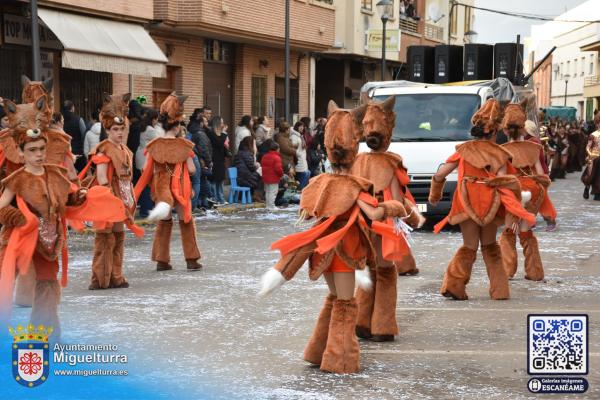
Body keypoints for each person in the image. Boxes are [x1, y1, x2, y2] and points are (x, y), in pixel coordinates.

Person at [259, 100, 407, 374]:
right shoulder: (354, 187)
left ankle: (318, 351)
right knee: (345, 304)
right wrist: (396, 207)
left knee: (334, 298)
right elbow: (374, 215)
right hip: (345, 252)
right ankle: (340, 359)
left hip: (322, 252)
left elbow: (308, 213)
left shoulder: (319, 183)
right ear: (353, 147)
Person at [0, 95, 125, 340]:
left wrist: (80, 197)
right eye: (32, 150)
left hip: (48, 243)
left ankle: (44, 336)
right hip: (18, 240)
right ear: (22, 152)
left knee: (47, 285)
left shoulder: (56, 174)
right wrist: (16, 217)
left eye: (41, 149)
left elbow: (69, 197)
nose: (38, 154)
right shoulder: (15, 179)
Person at [429, 99, 536, 300]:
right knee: (490, 247)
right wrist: (516, 207)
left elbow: (440, 175)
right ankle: (500, 290)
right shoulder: (501, 154)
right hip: (490, 203)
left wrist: (435, 194)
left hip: (465, 202)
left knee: (469, 246)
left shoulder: (463, 150)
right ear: (495, 131)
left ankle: (455, 284)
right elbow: (505, 182)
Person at [351, 97, 425, 342]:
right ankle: (382, 327)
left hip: (361, 222)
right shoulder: (391, 163)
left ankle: (361, 321)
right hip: (382, 223)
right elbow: (395, 199)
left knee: (367, 270)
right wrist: (411, 216)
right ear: (388, 131)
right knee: (385, 272)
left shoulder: (358, 161)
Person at [134, 94, 202, 271]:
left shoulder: (155, 145)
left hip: (162, 188)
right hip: (180, 186)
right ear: (178, 125)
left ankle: (162, 260)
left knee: (164, 223)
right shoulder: (184, 145)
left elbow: (146, 169)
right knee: (185, 221)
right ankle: (191, 259)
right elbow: (193, 169)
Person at [81, 110, 144, 290]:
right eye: (115, 129)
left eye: (122, 129)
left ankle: (116, 276)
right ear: (108, 130)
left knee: (118, 237)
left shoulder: (125, 149)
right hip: (109, 197)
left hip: (124, 196)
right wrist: (110, 201)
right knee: (104, 237)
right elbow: (102, 177)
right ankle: (99, 278)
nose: (120, 132)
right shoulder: (104, 149)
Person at [499, 103, 556, 281]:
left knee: (509, 232)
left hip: (514, 192)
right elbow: (540, 175)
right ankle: (534, 271)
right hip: (531, 192)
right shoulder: (534, 148)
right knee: (525, 230)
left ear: (506, 130)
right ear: (523, 128)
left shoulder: (503, 150)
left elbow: (502, 177)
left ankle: (507, 270)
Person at [135, 108, 159, 218]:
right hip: (146, 159)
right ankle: (146, 210)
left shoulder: (143, 127)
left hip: (140, 157)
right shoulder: (151, 130)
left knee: (144, 184)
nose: (157, 122)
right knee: (147, 186)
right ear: (153, 119)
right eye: (156, 119)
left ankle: (144, 208)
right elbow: (160, 142)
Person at [207, 115, 230, 204]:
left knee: (220, 180)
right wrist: (224, 133)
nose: (223, 124)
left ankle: (221, 198)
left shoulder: (220, 134)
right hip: (214, 159)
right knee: (214, 180)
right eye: (221, 123)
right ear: (217, 124)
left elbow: (223, 145)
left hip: (220, 159)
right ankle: (215, 198)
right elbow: (219, 142)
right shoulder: (211, 133)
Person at [62, 100, 87, 171]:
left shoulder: (60, 121)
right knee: (81, 175)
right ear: (72, 108)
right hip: (79, 153)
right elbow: (84, 135)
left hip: (66, 153)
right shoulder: (79, 120)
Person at [582, 112, 600, 201]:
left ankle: (597, 193)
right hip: (594, 157)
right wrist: (591, 155)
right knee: (590, 176)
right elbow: (588, 147)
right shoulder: (593, 135)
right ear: (597, 123)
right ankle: (587, 187)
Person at [261, 139, 283, 209]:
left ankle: (268, 205)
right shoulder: (277, 158)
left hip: (265, 177)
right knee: (273, 193)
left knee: (267, 192)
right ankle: (272, 206)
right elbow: (278, 169)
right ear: (277, 149)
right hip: (273, 178)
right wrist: (281, 174)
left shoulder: (264, 156)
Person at [291, 121, 310, 190]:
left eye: (303, 126)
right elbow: (294, 149)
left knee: (307, 173)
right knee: (304, 175)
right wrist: (299, 154)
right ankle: (300, 190)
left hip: (303, 159)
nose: (302, 128)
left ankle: (302, 190)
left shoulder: (300, 135)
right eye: (300, 126)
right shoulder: (294, 136)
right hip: (299, 159)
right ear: (297, 127)